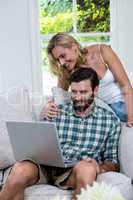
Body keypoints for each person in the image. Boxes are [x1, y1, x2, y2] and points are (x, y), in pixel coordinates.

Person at [0, 68, 121, 200]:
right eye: (74, 92)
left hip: (73, 171)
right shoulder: (56, 111)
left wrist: (97, 166)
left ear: (95, 90)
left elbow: (112, 162)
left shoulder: (110, 120)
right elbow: (39, 139)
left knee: (87, 169)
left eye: (83, 92)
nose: (78, 97)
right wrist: (42, 117)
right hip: (44, 167)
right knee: (19, 170)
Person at [42, 32, 133, 126]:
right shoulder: (66, 70)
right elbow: (59, 99)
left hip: (125, 101)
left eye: (63, 56)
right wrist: (48, 107)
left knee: (121, 111)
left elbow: (125, 85)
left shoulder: (102, 51)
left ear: (74, 47)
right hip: (104, 109)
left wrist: (131, 118)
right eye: (57, 59)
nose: (61, 63)